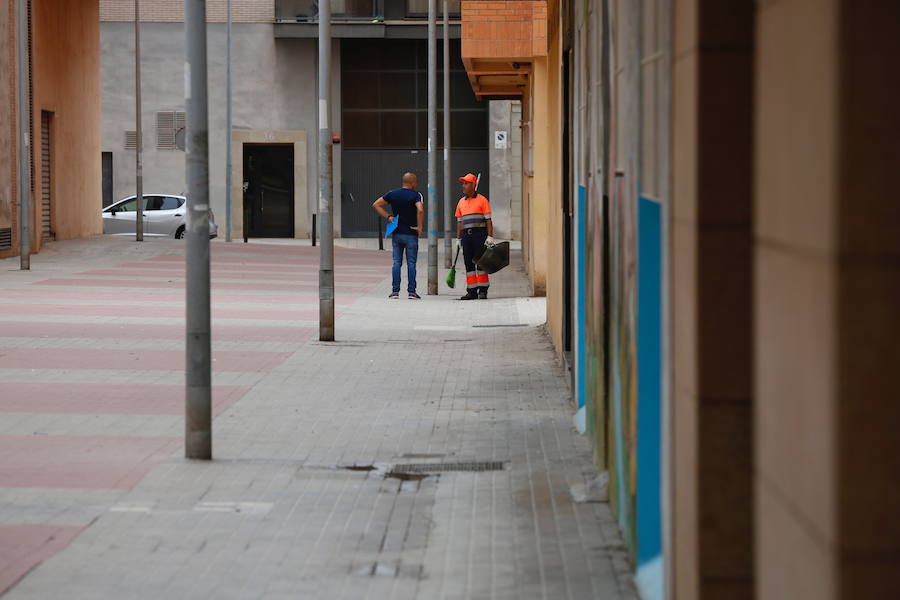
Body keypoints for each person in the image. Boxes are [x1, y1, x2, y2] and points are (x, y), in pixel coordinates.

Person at [372, 173, 425, 299]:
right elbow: (421, 210)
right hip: (411, 234)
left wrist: (389, 217)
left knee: (396, 262)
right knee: (411, 263)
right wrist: (419, 227)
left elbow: (376, 204)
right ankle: (411, 292)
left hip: (397, 234)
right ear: (412, 183)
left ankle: (395, 292)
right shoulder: (416, 195)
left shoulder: (393, 194)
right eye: (415, 182)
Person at [454, 173, 495, 300]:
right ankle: (471, 291)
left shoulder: (482, 200)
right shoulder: (461, 202)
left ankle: (483, 290)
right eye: (463, 183)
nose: (463, 186)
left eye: (466, 183)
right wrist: (458, 238)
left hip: (480, 235)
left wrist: (490, 237)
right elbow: (459, 222)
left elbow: (488, 220)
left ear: (473, 185)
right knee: (468, 264)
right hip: (466, 236)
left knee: (481, 263)